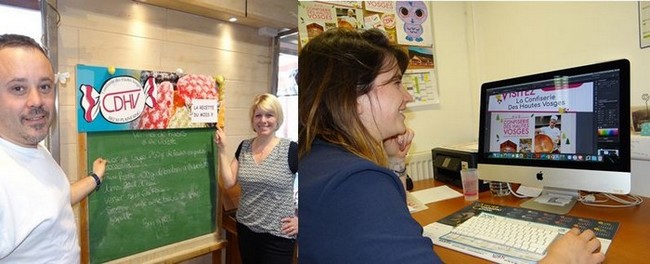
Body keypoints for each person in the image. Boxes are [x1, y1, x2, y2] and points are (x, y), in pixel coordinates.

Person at [298, 28, 605, 264]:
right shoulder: (356, 183)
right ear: (352, 97)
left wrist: (391, 160)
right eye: (395, 83)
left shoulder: (318, 160)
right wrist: (557, 260)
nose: (408, 97)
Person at [0, 34, 108, 263]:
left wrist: (94, 178)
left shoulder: (33, 148)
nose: (37, 100)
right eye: (18, 88)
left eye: (45, 86)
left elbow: (54, 199)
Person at [214, 93, 298, 264]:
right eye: (258, 115)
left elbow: (314, 184)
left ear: (277, 118)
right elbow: (229, 182)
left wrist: (302, 219)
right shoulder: (244, 147)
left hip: (278, 235)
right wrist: (222, 149)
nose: (263, 120)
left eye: (269, 115)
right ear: (253, 120)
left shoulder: (291, 149)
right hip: (246, 229)